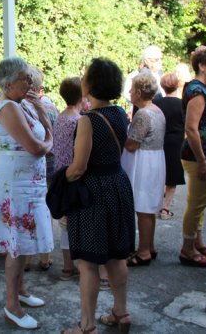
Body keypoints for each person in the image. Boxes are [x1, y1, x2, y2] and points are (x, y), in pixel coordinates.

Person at [62, 58, 134, 334]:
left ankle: (87, 326)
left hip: (94, 193)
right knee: (117, 256)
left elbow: (79, 167)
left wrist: (61, 180)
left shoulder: (88, 121)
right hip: (118, 186)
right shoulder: (120, 113)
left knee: (89, 263)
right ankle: (122, 313)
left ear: (91, 84)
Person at [0, 57, 54, 330]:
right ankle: (12, 305)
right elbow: (36, 147)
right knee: (15, 242)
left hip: (26, 182)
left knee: (22, 240)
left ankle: (21, 291)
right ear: (8, 83)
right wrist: (48, 143)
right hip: (15, 183)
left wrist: (41, 112)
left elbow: (44, 134)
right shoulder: (9, 107)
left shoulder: (22, 103)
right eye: (25, 78)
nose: (30, 82)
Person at [121, 72, 166, 266]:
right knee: (149, 207)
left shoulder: (143, 114)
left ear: (139, 92)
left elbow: (132, 144)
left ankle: (144, 251)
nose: (130, 93)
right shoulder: (156, 110)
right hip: (154, 159)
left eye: (132, 89)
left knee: (143, 208)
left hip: (144, 163)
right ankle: (150, 246)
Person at [179, 46, 206, 268]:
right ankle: (187, 248)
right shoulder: (197, 91)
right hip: (198, 156)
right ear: (202, 66)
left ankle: (197, 241)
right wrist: (202, 161)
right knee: (196, 204)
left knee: (200, 202)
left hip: (203, 154)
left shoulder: (204, 88)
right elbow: (191, 129)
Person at [23, 66, 58, 272]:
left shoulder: (17, 107)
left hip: (27, 164)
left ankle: (27, 259)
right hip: (48, 163)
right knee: (43, 208)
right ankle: (45, 256)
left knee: (27, 210)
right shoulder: (50, 107)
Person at [52, 77, 83, 281]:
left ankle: (67, 267)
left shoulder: (60, 117)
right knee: (77, 221)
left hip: (59, 175)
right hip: (75, 174)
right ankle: (80, 265)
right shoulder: (79, 121)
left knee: (65, 222)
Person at [152, 73, 185, 219]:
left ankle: (156, 204)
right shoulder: (182, 104)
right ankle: (165, 208)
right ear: (177, 85)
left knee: (159, 173)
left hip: (159, 140)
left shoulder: (156, 103)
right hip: (176, 142)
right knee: (172, 175)